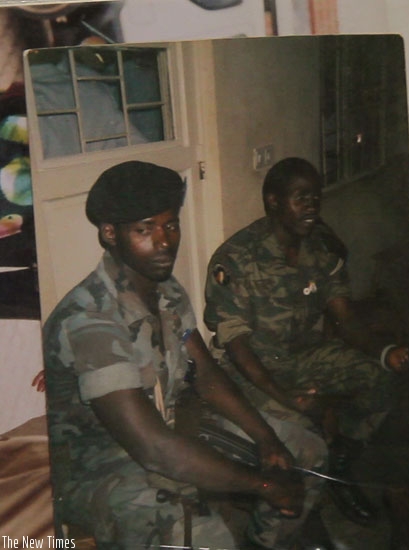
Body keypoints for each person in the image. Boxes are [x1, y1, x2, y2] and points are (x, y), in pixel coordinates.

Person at [42, 160, 328, 549]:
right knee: (198, 533)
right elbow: (154, 450)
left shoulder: (167, 290)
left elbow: (206, 375)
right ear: (110, 234)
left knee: (305, 450)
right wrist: (261, 484)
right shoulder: (89, 321)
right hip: (95, 462)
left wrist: (265, 438)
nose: (164, 242)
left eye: (170, 226)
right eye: (145, 229)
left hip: (170, 424)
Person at [204, 157, 409, 525]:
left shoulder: (321, 250)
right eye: (300, 198)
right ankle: (305, 516)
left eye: (316, 198)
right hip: (251, 369)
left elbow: (345, 317)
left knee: (380, 379)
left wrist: (385, 352)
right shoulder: (235, 258)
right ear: (273, 201)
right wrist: (286, 397)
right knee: (299, 433)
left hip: (306, 354)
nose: (312, 207)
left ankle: (340, 467)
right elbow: (237, 348)